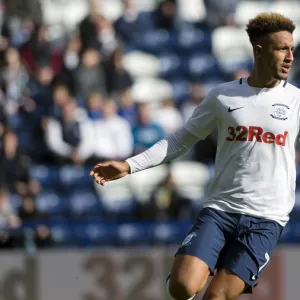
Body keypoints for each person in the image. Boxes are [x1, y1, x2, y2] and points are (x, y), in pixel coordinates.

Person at [90, 13, 297, 300]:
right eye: (281, 48)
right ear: (259, 51)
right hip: (220, 210)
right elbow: (180, 140)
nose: (290, 56)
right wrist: (129, 165)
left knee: (215, 297)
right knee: (183, 287)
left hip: (266, 219)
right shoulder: (223, 97)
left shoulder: (296, 101)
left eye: (292, 49)